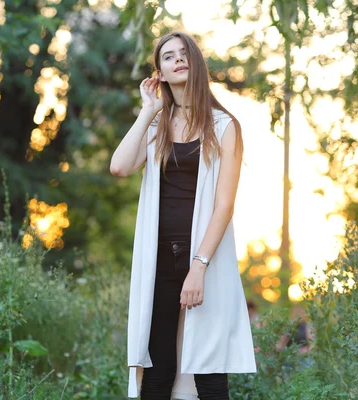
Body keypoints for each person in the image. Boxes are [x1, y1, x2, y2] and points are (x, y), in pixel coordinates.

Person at [110, 31, 257, 400]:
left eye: (183, 53)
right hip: (158, 259)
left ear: (195, 61)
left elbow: (225, 205)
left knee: (209, 372)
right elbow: (120, 167)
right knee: (158, 370)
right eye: (168, 56)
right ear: (158, 72)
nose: (178, 59)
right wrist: (148, 111)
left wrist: (199, 266)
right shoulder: (156, 126)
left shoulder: (224, 126)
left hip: (205, 259)